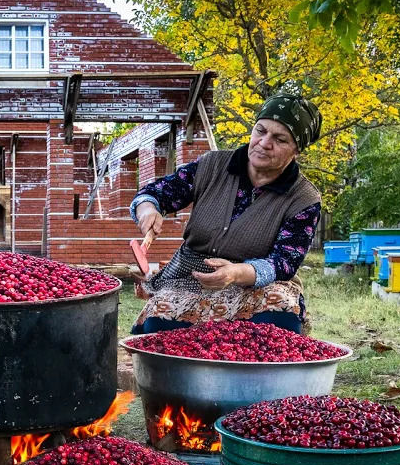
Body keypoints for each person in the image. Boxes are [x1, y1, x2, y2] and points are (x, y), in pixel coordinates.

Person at [130, 94, 323, 334]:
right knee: (160, 329)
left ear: (297, 149)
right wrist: (148, 208)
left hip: (256, 284)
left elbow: (284, 262)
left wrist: (236, 273)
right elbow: (156, 193)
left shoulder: (303, 199)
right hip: (190, 276)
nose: (264, 143)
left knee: (278, 325)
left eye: (280, 139)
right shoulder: (212, 165)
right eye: (260, 131)